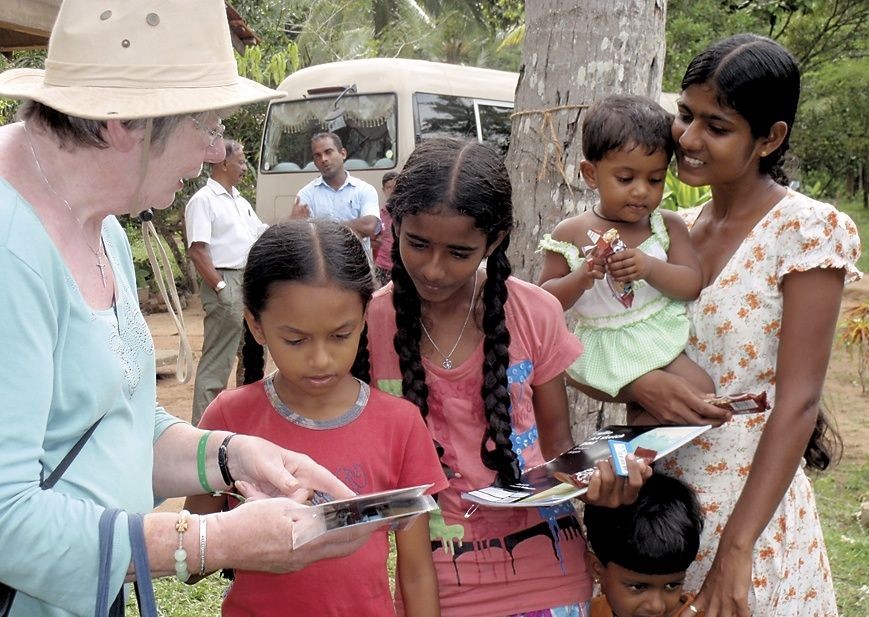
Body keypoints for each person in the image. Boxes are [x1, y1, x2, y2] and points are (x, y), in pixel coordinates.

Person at [0, 2, 376, 615]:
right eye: (205, 126)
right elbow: (5, 518)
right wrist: (211, 540)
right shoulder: (9, 246)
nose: (212, 151)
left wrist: (232, 454)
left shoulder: (103, 228)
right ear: (126, 123)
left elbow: (118, 427)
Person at [621, 34, 862, 617]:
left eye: (717, 126)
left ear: (770, 138)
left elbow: (798, 402)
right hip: (660, 515)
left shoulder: (805, 231)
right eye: (685, 116)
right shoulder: (673, 229)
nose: (689, 139)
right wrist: (634, 385)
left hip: (752, 514)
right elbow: (608, 344)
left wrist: (736, 547)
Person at [365, 138, 651, 617]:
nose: (433, 269)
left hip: (550, 577)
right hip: (434, 584)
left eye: (459, 252)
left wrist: (605, 481)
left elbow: (561, 449)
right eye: (417, 243)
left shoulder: (534, 312)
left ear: (495, 240)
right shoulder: (367, 324)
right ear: (394, 224)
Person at [185, 219, 449, 616]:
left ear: (364, 316)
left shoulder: (400, 424)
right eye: (296, 340)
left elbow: (416, 571)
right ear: (256, 324)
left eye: (340, 335)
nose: (321, 359)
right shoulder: (228, 417)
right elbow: (191, 562)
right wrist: (236, 531)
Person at [537, 95, 713, 406]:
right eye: (625, 178)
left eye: (655, 179)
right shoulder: (571, 233)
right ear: (591, 174)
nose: (641, 190)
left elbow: (690, 284)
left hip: (658, 338)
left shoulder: (667, 226)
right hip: (605, 348)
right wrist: (581, 277)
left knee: (701, 388)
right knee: (649, 407)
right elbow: (545, 302)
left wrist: (649, 267)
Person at [186, 139, 265, 424]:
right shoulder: (204, 201)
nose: (245, 167)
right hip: (225, 279)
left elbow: (260, 233)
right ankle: (203, 429)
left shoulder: (239, 201)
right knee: (219, 358)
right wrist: (220, 287)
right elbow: (197, 249)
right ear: (223, 163)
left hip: (247, 278)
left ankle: (244, 421)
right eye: (241, 161)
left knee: (253, 353)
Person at [583, 474, 704, 617]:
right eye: (638, 587)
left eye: (672, 585)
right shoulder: (583, 613)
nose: (656, 607)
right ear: (597, 570)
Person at [292, 132, 380, 253]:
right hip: (322, 268)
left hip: (358, 267)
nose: (324, 159)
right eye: (318, 155)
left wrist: (318, 229)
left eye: (328, 152)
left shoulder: (364, 190)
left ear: (343, 153)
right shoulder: (306, 194)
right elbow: (299, 234)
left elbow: (369, 226)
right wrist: (352, 227)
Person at [373, 170, 398, 285]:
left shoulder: (407, 214)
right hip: (382, 266)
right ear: (383, 190)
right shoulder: (379, 214)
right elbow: (373, 239)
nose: (392, 191)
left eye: (395, 187)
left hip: (400, 266)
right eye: (388, 187)